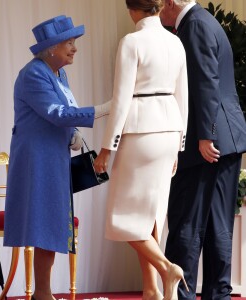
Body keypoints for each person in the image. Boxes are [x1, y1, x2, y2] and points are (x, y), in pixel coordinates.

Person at [3, 15, 110, 300]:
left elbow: (65, 110)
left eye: (74, 42)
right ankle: (43, 293)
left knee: (51, 224)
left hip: (53, 157)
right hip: (37, 160)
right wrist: (102, 109)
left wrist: (73, 132)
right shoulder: (34, 74)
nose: (74, 48)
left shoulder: (58, 73)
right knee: (43, 224)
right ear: (51, 48)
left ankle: (43, 293)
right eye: (69, 43)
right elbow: (55, 113)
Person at [94, 0, 189, 299]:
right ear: (160, 8)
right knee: (150, 213)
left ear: (132, 10)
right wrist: (179, 146)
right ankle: (151, 290)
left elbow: (121, 100)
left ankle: (165, 268)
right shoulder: (175, 42)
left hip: (140, 132)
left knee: (121, 216)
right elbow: (183, 96)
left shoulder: (131, 41)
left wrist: (106, 148)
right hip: (169, 132)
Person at [160, 1, 246, 299]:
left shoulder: (194, 25)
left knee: (187, 221)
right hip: (226, 137)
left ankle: (181, 294)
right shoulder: (206, 21)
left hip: (206, 142)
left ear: (171, 3)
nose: (158, 13)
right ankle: (218, 294)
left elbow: (205, 81)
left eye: (159, 6)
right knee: (217, 224)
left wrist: (206, 136)